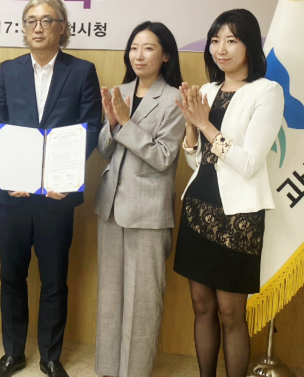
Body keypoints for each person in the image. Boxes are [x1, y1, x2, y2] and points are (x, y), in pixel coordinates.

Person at [0, 0, 102, 377]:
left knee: (54, 280)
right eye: (31, 20)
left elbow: (91, 127)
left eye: (46, 20)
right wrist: (11, 170)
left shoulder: (81, 71)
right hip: (14, 195)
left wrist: (66, 177)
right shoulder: (8, 70)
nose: (38, 27)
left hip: (56, 195)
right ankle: (13, 354)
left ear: (62, 27)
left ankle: (50, 357)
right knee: (11, 277)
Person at [173, 9, 284, 377]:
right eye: (215, 40)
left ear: (249, 45)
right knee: (201, 306)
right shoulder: (207, 90)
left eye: (231, 40)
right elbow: (197, 160)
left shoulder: (266, 91)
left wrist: (204, 124)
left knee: (231, 313)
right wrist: (191, 128)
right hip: (197, 207)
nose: (220, 49)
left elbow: (249, 162)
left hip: (238, 216)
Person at [94, 22, 185, 377]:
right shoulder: (120, 91)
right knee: (110, 295)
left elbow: (163, 157)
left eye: (148, 48)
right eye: (134, 47)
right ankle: (108, 369)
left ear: (166, 56)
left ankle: (134, 372)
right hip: (111, 207)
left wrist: (126, 123)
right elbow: (105, 150)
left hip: (148, 211)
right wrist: (113, 123)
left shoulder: (175, 99)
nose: (139, 55)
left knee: (143, 299)